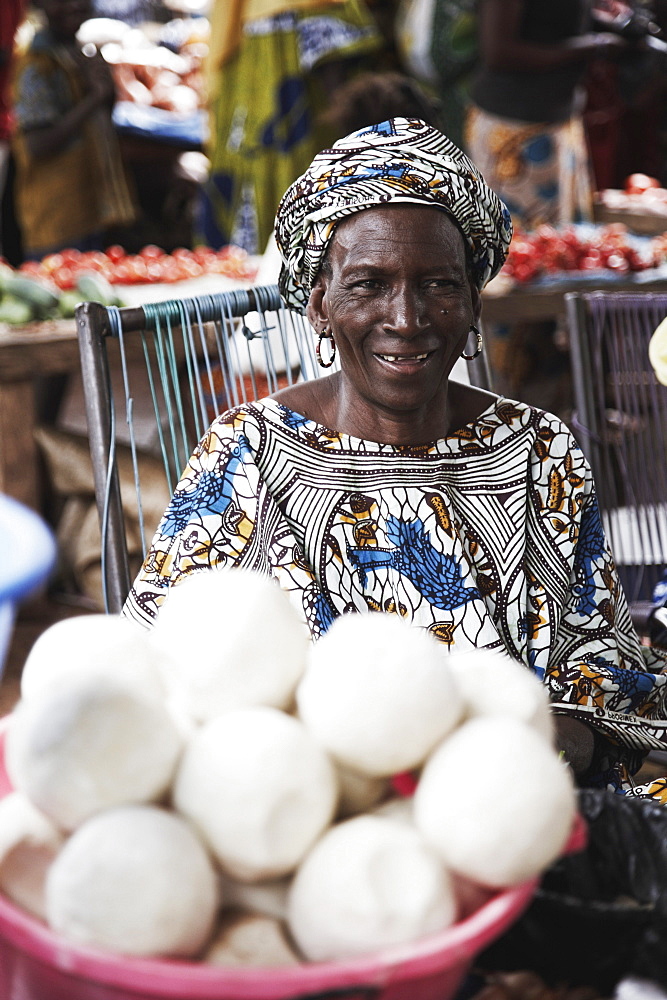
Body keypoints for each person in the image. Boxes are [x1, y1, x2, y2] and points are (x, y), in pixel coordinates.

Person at [124, 117, 667, 800]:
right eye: (368, 284)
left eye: (438, 284)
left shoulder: (535, 450)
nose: (405, 318)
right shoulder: (247, 453)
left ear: (473, 302)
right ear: (319, 305)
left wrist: (517, 740)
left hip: (512, 807)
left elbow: (604, 687)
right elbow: (158, 671)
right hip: (305, 814)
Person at [198, 0, 383, 256]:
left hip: (256, 90)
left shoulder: (239, 18)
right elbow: (344, 97)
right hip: (302, 135)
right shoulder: (312, 10)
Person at [465, 0, 628, 230]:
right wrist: (592, 47)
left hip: (559, 123)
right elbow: (498, 52)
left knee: (562, 245)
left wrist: (599, 20)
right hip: (514, 131)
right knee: (519, 247)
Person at [11, 0, 136, 259]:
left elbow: (99, 121)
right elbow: (38, 144)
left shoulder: (77, 53)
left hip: (89, 210)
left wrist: (105, 94)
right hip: (55, 218)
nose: (75, 5)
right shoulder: (37, 65)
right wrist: (94, 100)